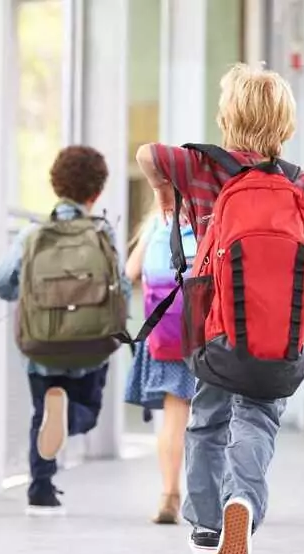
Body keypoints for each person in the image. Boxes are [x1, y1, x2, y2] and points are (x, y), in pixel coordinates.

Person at [136, 63, 304, 554]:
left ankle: (204, 525)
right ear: (284, 127)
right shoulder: (299, 182)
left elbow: (146, 154)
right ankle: (242, 498)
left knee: (209, 417)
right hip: (281, 332)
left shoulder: (196, 167)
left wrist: (164, 196)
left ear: (226, 118)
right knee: (259, 419)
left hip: (217, 327)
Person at [0, 146, 132, 516]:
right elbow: (123, 289)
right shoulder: (103, 232)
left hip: (42, 343)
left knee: (42, 414)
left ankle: (40, 490)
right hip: (91, 342)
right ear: (96, 191)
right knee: (87, 410)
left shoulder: (33, 234)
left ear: (56, 185)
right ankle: (70, 418)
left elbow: (0, 283)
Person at [124, 185, 197, 524]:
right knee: (218, 419)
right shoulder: (207, 222)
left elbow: (130, 271)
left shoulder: (156, 226)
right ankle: (219, 496)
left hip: (165, 336)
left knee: (173, 421)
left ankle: (169, 494)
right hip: (205, 337)